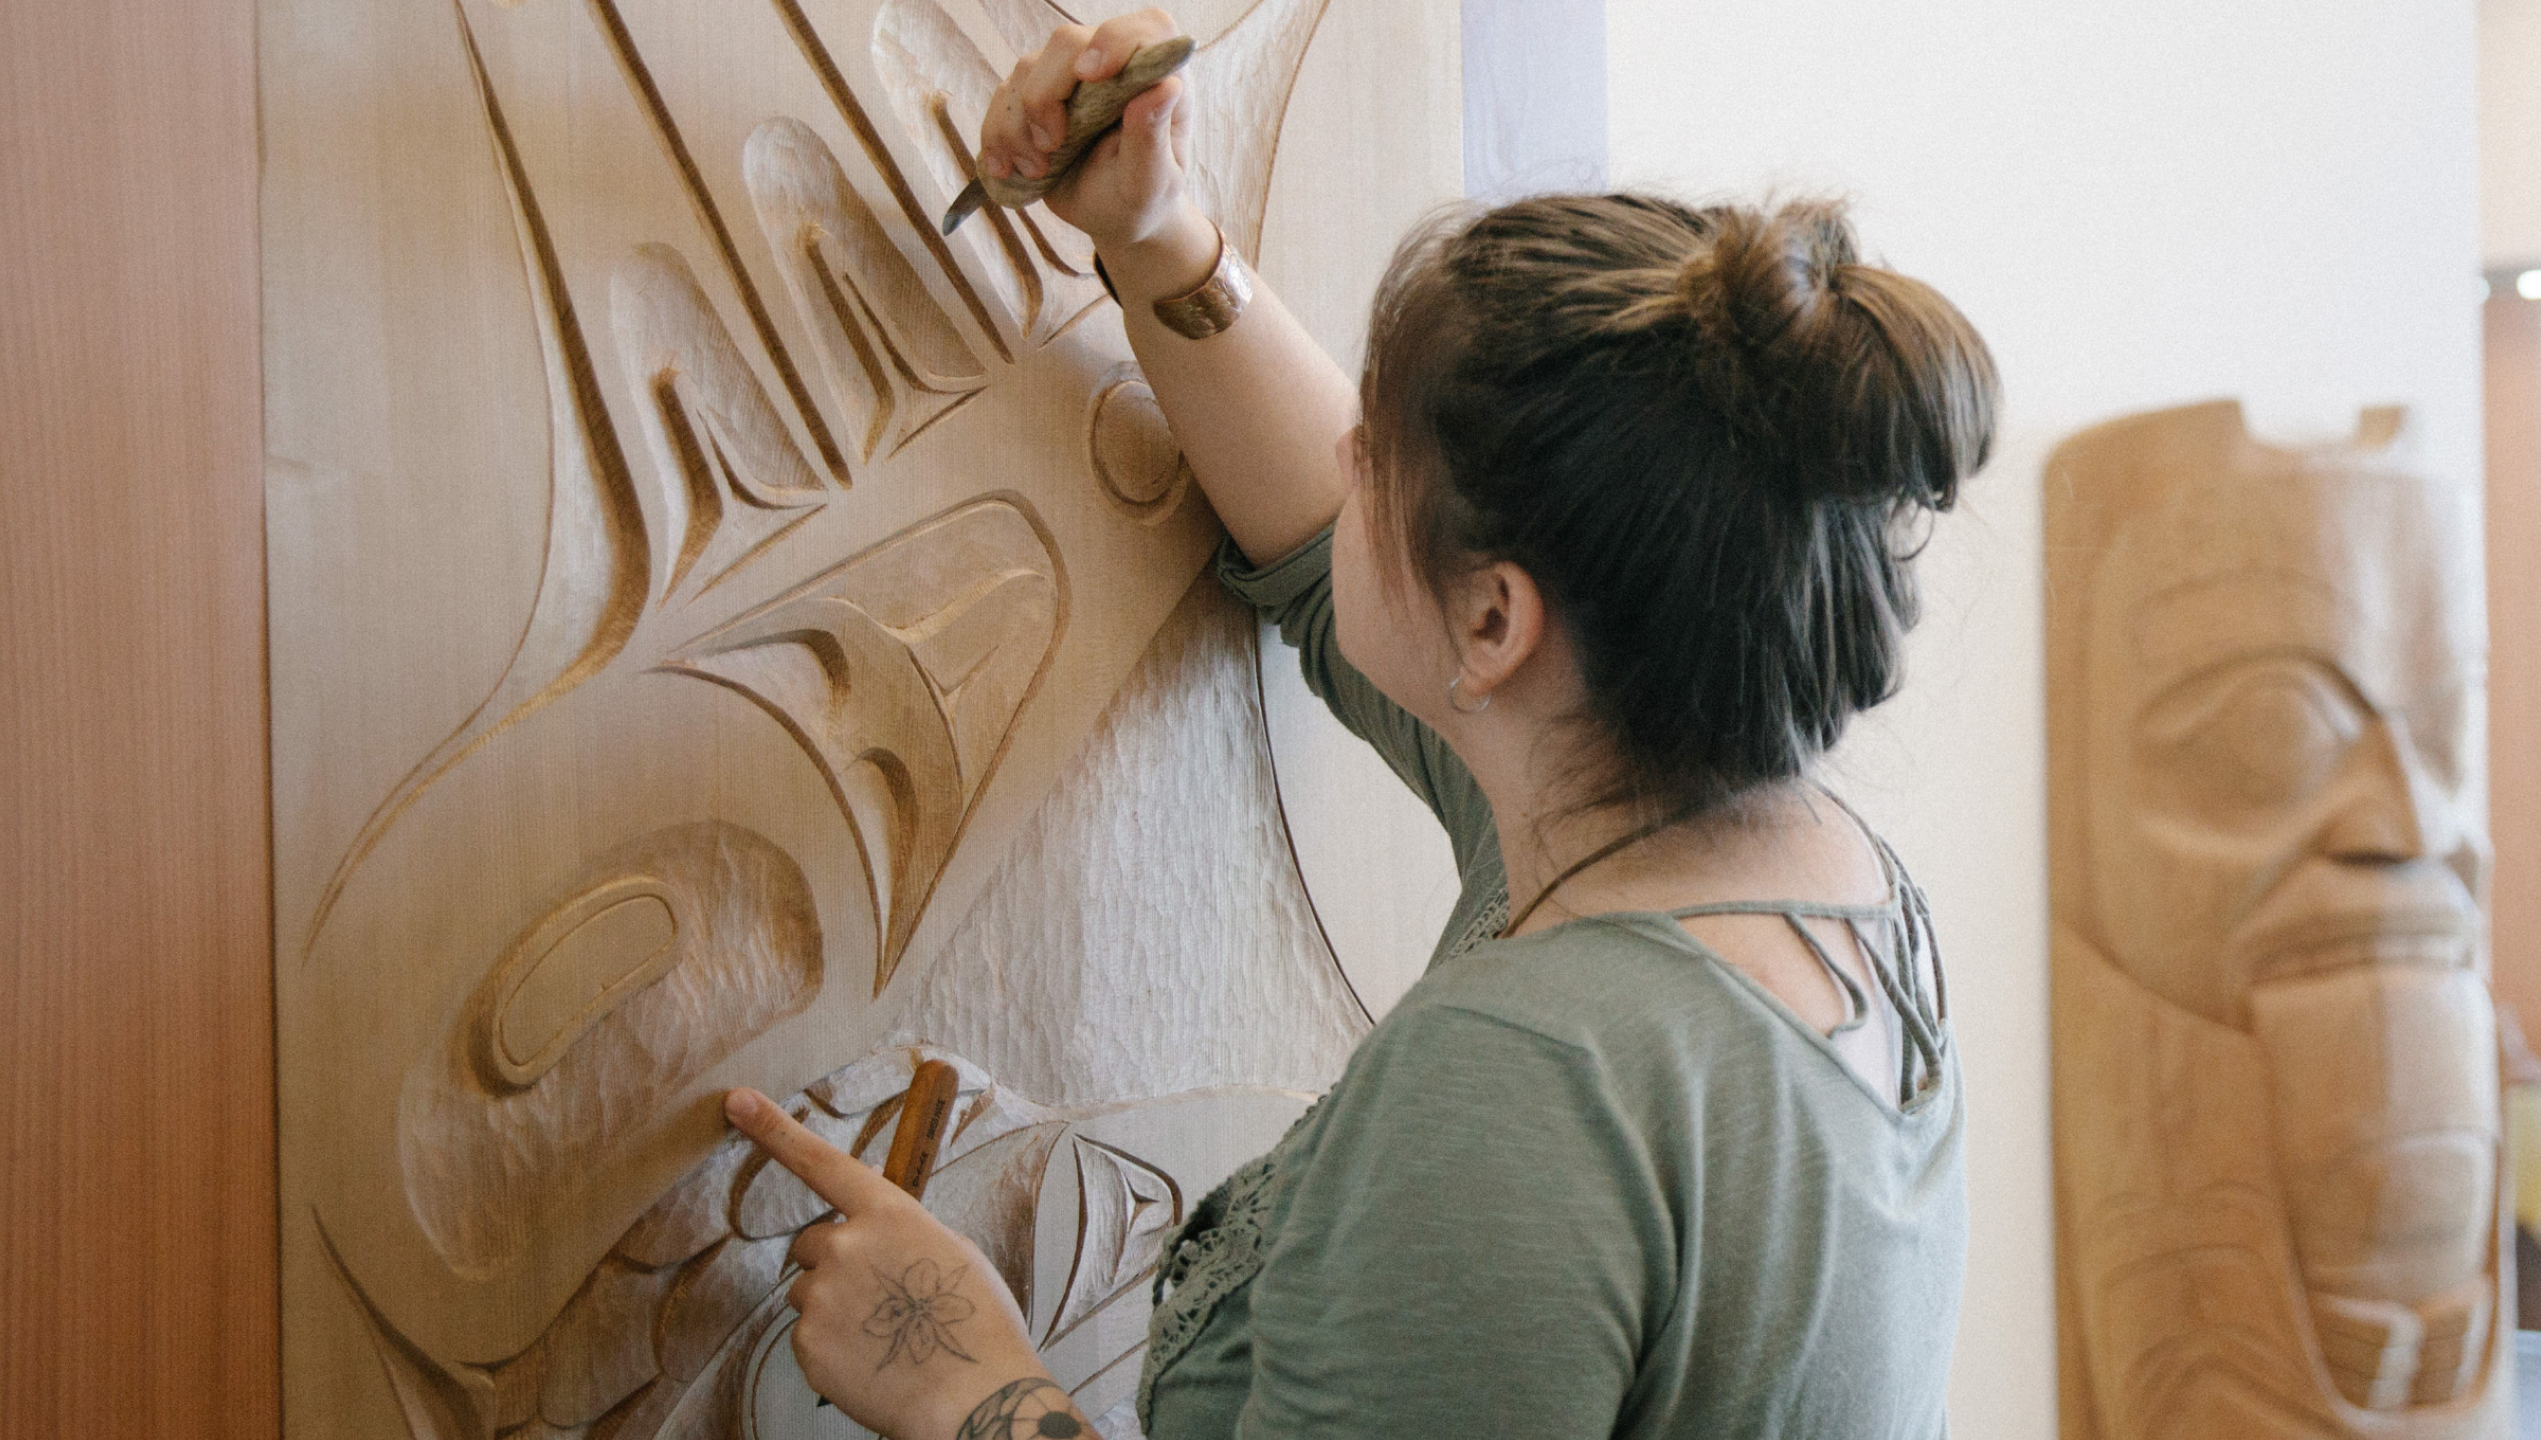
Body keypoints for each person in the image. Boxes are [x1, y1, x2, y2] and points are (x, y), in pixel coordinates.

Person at [722, 10, 1999, 1437]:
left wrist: (969, 1385)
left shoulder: (1524, 1081)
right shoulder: (1785, 868)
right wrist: (1159, 238)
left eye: (1380, 448)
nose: (1346, 454)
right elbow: (1327, 533)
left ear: (1498, 626)